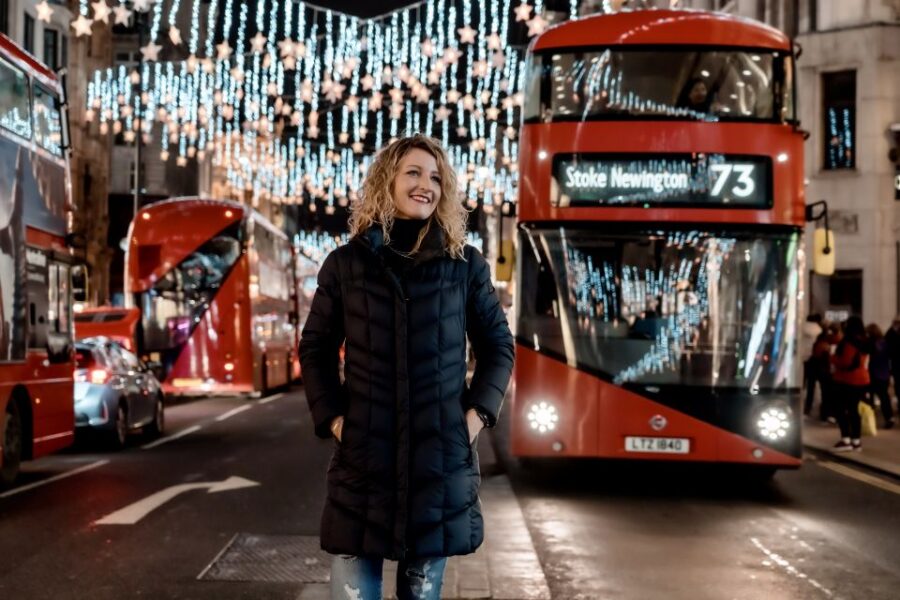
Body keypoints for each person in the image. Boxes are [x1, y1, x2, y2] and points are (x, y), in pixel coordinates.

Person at [299, 134, 515, 599]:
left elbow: (499, 345)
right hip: (364, 464)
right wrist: (334, 420)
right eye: (413, 173)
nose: (426, 185)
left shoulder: (465, 267)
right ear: (386, 182)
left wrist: (475, 419)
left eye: (436, 177)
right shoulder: (346, 265)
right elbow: (315, 347)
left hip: (436, 465)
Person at [831, 316, 870, 451]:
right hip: (862, 379)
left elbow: (845, 362)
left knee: (841, 409)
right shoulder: (864, 341)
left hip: (846, 380)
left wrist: (832, 358)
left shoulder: (848, 342)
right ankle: (856, 441)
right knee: (854, 410)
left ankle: (846, 439)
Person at [867, 323, 895, 428]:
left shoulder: (870, 343)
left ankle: (869, 419)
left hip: (873, 373)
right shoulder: (885, 343)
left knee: (869, 397)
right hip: (884, 373)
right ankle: (889, 417)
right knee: (884, 397)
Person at [801, 314, 824, 416]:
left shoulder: (801, 328)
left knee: (806, 383)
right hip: (816, 358)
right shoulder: (819, 330)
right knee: (816, 385)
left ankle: (806, 407)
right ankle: (820, 408)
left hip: (803, 358)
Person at [886, 317, 900, 420]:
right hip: (896, 365)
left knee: (898, 387)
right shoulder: (892, 334)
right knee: (898, 387)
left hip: (896, 365)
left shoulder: (893, 334)